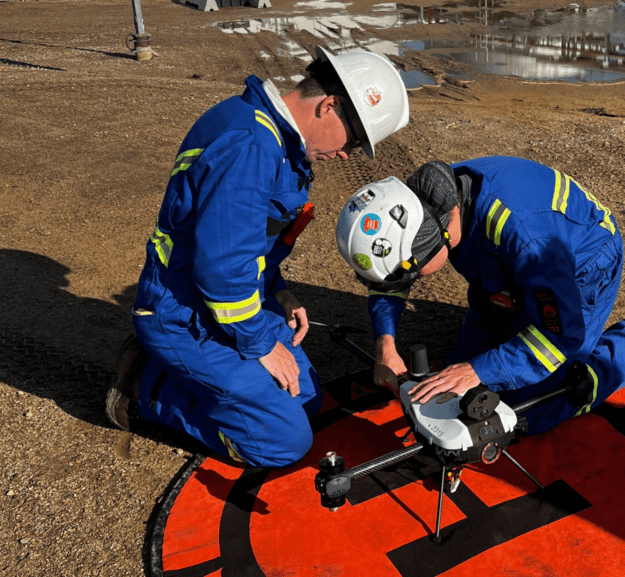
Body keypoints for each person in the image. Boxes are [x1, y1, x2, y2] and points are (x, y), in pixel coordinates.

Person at [106, 47, 410, 467]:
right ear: (329, 106)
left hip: (215, 304)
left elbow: (243, 243)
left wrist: (278, 291)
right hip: (183, 314)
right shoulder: (251, 146)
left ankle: (202, 381)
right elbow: (222, 270)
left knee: (306, 399)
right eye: (353, 142)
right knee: (282, 442)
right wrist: (261, 342)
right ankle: (147, 388)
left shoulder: (270, 139)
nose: (345, 155)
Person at [335, 157, 625, 434]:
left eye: (412, 272)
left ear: (441, 235)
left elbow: (560, 337)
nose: (409, 281)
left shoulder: (527, 241)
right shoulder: (424, 201)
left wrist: (479, 371)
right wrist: (385, 343)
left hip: (584, 266)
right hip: (506, 268)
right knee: (455, 389)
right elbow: (388, 280)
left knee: (525, 411)